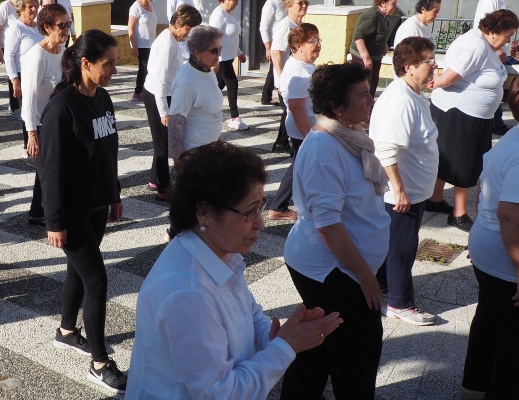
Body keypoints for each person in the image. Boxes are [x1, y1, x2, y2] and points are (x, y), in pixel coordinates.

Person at [126, 142, 343, 399]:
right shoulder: (188, 292)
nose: (261, 224)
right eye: (250, 212)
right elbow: (222, 394)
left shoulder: (216, 253)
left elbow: (249, 315)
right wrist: (286, 346)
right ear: (204, 213)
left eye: (261, 207)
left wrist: (276, 336)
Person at [280, 62, 388, 399]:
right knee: (358, 352)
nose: (371, 100)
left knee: (318, 346)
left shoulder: (348, 137)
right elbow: (329, 225)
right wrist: (365, 276)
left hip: (343, 266)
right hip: (330, 269)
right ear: (336, 107)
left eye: (370, 92)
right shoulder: (324, 147)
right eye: (363, 95)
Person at [39, 29, 125, 393]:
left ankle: (66, 330)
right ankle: (99, 362)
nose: (114, 71)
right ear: (86, 64)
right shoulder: (61, 108)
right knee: (97, 281)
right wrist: (54, 221)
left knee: (80, 269)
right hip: (71, 209)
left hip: (97, 204)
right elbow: (51, 170)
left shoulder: (102, 97)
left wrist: (115, 194)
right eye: (108, 64)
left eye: (115, 63)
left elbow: (109, 151)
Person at [370, 37, 439, 326]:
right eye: (429, 61)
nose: (435, 65)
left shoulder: (412, 93)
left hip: (413, 188)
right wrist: (398, 190)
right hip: (403, 192)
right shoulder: (401, 100)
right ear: (409, 67)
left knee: (396, 245)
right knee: (402, 247)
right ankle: (399, 303)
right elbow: (385, 149)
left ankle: (385, 286)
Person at [428, 9, 518, 229]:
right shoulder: (475, 46)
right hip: (462, 113)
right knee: (465, 162)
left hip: (474, 114)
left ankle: (435, 199)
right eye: (508, 35)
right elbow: (448, 79)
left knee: (449, 157)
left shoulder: (485, 44)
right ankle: (458, 213)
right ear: (492, 31)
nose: (510, 40)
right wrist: (431, 81)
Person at [461, 77, 519, 400]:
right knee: (512, 344)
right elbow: (509, 215)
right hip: (505, 258)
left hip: (489, 249)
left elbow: (485, 187)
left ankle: (472, 390)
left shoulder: (512, 136)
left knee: (488, 324)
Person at [142, 5, 201, 202]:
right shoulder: (167, 42)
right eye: (188, 29)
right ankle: (163, 187)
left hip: (165, 93)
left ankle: (154, 179)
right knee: (164, 144)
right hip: (157, 95)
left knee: (162, 140)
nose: (188, 33)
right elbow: (159, 79)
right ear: (178, 23)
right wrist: (163, 112)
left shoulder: (174, 39)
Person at [267, 23, 320, 221]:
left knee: (299, 165)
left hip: (305, 124)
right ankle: (278, 206)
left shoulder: (302, 64)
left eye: (318, 40)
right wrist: (310, 136)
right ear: (298, 45)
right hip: (302, 127)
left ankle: (279, 205)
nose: (318, 45)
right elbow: (297, 107)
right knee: (300, 165)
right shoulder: (298, 70)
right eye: (312, 41)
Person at [23, 4, 68, 225]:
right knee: (49, 174)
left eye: (68, 24)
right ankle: (53, 219)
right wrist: (32, 133)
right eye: (62, 25)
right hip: (40, 123)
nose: (67, 29)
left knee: (50, 171)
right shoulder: (37, 56)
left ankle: (37, 212)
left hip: (57, 121)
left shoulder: (62, 52)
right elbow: (29, 97)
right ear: (47, 27)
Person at [168, 26, 224, 160]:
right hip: (195, 155)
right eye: (214, 51)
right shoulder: (186, 82)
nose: (219, 55)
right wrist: (179, 162)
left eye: (220, 49)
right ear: (197, 53)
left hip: (211, 149)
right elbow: (175, 124)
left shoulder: (208, 71)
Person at [270, 0, 307, 154]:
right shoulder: (285, 26)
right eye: (300, 3)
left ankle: (282, 141)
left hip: (295, 77)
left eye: (306, 2)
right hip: (287, 79)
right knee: (290, 109)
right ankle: (284, 142)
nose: (304, 5)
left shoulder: (299, 25)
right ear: (289, 7)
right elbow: (276, 52)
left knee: (289, 110)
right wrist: (282, 79)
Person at [209, 0, 248, 131]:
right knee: (232, 84)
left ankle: (203, 109)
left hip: (228, 58)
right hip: (221, 59)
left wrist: (239, 52)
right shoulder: (218, 15)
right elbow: (213, 39)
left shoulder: (227, 14)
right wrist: (214, 60)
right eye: (234, 0)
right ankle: (234, 118)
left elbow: (230, 37)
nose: (237, 3)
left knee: (217, 86)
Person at [349, 0, 397, 97]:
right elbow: (358, 36)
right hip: (363, 60)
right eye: (393, 4)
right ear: (383, 3)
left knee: (372, 85)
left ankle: (368, 109)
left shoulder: (382, 15)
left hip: (374, 59)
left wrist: (384, 45)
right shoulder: (373, 16)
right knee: (366, 88)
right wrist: (366, 58)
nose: (395, 6)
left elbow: (378, 33)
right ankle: (364, 110)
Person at [4, 0, 41, 121]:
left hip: (40, 74)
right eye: (30, 7)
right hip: (24, 76)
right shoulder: (16, 28)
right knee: (29, 115)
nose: (34, 9)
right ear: (21, 9)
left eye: (36, 6)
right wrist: (14, 80)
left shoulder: (39, 27)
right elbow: (8, 56)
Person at [127, 0, 156, 102]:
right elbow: (130, 28)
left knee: (149, 68)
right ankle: (138, 92)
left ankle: (144, 91)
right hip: (141, 45)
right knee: (145, 69)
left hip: (151, 44)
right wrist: (133, 46)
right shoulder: (135, 7)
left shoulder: (151, 5)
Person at [259, 0, 285, 105]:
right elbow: (263, 27)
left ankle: (266, 97)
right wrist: (268, 48)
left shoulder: (288, 2)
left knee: (273, 71)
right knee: (277, 69)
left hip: (285, 45)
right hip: (275, 45)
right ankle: (283, 101)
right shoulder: (271, 3)